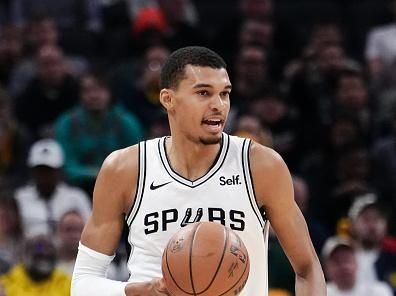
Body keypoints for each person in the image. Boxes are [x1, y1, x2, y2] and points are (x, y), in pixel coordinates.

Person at [71, 46, 325, 295]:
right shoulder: (125, 169)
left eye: (224, 94)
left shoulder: (261, 166)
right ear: (168, 99)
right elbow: (82, 283)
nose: (219, 105)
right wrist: (134, 291)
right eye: (204, 93)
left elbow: (307, 268)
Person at [322, 236, 392, 296]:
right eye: (336, 261)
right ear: (326, 268)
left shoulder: (379, 292)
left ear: (357, 262)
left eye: (347, 259)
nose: (343, 266)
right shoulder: (320, 293)